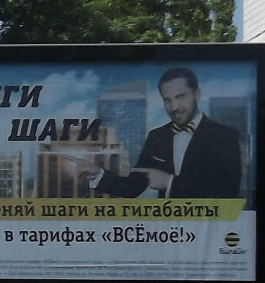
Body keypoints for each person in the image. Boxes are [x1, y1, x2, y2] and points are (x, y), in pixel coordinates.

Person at [89, 66, 245, 200]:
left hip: (209, 231)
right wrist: (99, 174)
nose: (174, 107)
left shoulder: (225, 136)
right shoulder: (156, 136)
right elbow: (132, 187)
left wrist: (169, 182)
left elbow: (227, 191)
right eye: (167, 100)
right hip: (168, 232)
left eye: (180, 97)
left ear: (197, 94)